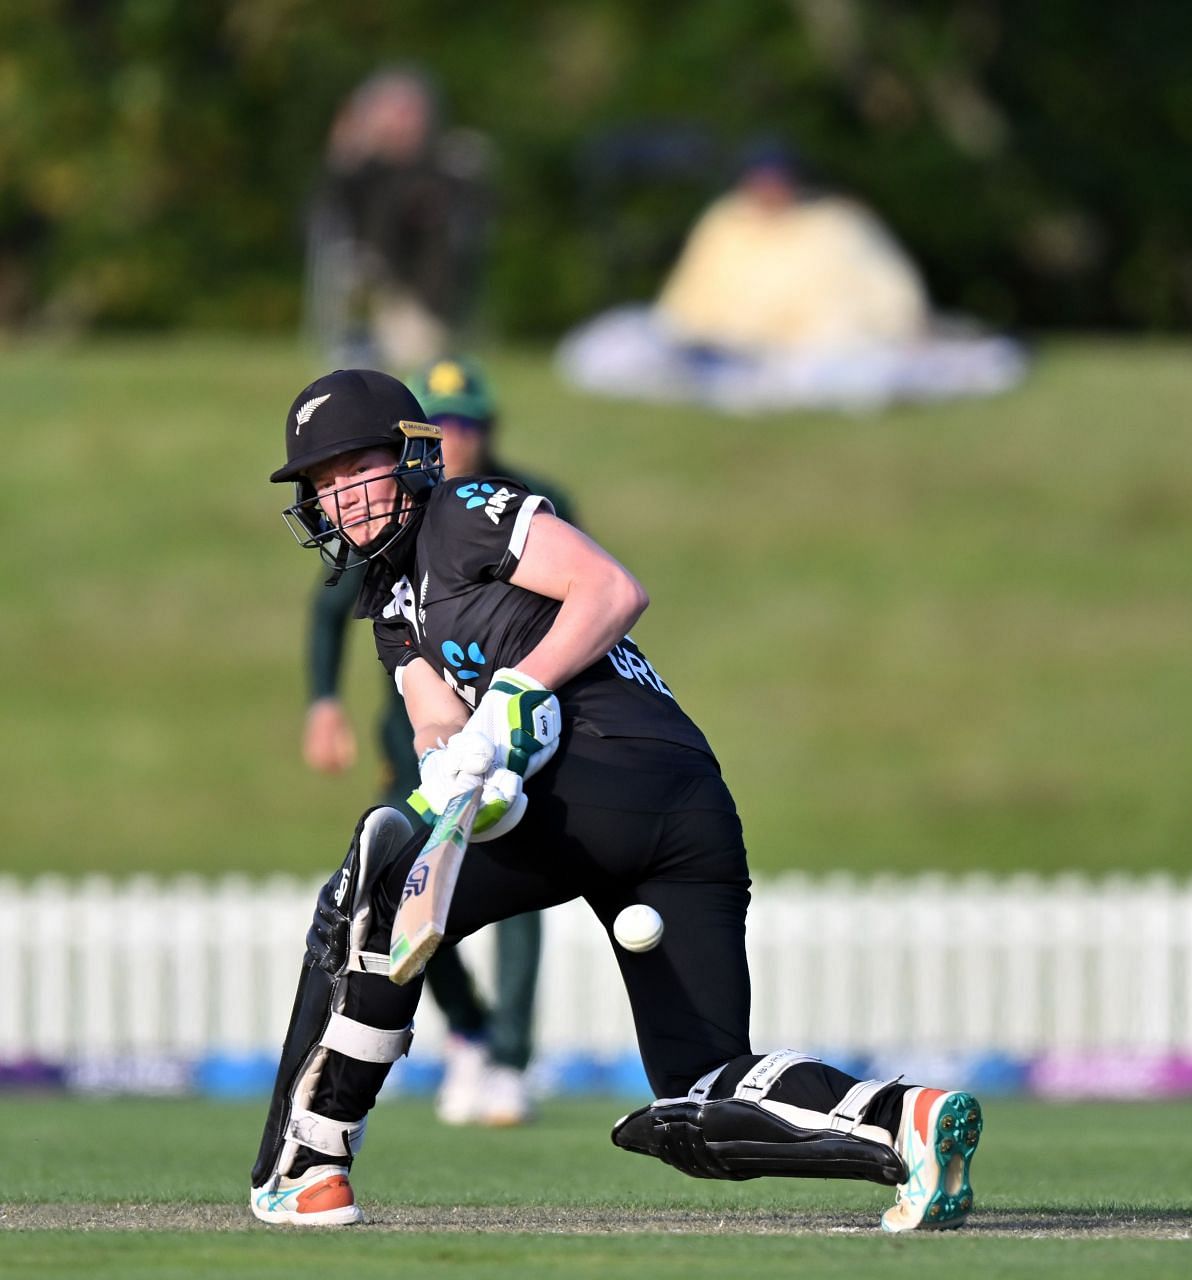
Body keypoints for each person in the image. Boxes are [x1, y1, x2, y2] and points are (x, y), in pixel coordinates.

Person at [251, 368, 982, 1230]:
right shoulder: (388, 601)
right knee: (703, 1082)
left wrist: (516, 697)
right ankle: (910, 1119)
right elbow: (435, 719)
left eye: (354, 469)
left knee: (364, 893)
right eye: (322, 484)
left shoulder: (466, 508)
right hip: (679, 803)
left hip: (599, 775)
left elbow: (611, 590)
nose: (340, 497)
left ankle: (308, 1162)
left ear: (410, 458)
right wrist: (450, 765)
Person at [300, 356, 564, 1127]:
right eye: (443, 422)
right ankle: (472, 1031)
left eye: (469, 424)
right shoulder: (381, 516)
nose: (458, 437)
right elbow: (332, 614)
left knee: (517, 888)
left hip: (518, 732)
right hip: (418, 741)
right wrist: (324, 703)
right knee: (405, 884)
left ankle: (511, 1058)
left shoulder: (509, 503)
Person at [654, 144, 929, 354]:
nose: (770, 191)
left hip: (825, 347)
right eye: (762, 181)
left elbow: (884, 288)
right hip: (730, 344)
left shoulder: (835, 223)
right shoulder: (726, 222)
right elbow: (693, 291)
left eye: (777, 181)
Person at [306, 67, 492, 369]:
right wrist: (345, 157)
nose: (401, 124)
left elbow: (473, 211)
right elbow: (326, 209)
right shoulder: (361, 171)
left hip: (421, 293)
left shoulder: (446, 167)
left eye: (408, 114)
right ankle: (356, 340)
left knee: (415, 353)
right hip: (367, 279)